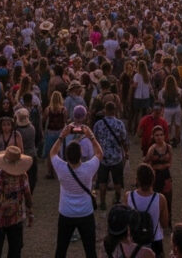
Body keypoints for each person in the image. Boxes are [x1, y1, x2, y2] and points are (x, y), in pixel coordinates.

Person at [50, 123, 103, 258]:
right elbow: (99, 153)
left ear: (66, 156)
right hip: (85, 212)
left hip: (66, 212)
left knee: (61, 249)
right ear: (81, 155)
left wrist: (62, 136)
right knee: (90, 250)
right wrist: (90, 136)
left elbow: (53, 153)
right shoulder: (88, 168)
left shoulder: (61, 168)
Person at [0, 146, 33, 258]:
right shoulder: (23, 176)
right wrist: (30, 212)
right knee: (15, 250)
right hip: (16, 217)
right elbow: (27, 195)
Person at [126, 163, 168, 258]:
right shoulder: (160, 199)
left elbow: (126, 220)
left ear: (137, 180)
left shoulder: (128, 196)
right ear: (153, 180)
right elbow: (165, 224)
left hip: (134, 240)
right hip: (155, 240)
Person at [94, 100, 128, 211]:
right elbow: (123, 140)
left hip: (103, 157)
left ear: (105, 110)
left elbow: (95, 139)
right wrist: (126, 152)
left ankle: (103, 202)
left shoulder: (98, 124)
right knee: (117, 181)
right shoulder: (119, 124)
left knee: (102, 181)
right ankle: (117, 200)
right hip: (116, 157)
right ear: (114, 111)